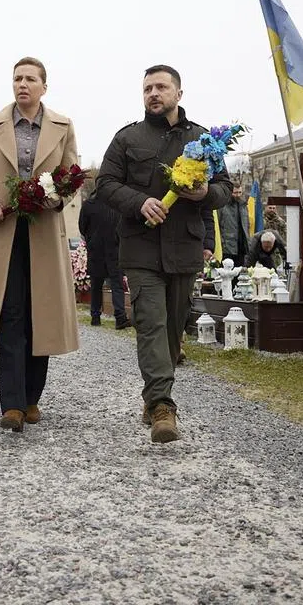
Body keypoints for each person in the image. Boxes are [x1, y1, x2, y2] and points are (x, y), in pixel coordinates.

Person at [96, 64, 232, 443]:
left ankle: (154, 390)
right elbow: (104, 184)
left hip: (184, 248)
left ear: (178, 94)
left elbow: (224, 188)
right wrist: (140, 202)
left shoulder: (204, 141)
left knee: (173, 331)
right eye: (147, 89)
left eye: (161, 87)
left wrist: (205, 194)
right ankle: (162, 406)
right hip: (140, 249)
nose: (153, 93)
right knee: (151, 324)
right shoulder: (128, 139)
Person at [0, 57, 80, 431]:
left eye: (31, 79)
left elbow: (70, 174)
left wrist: (56, 197)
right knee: (11, 315)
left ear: (44, 87)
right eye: (17, 78)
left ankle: (32, 398)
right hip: (4, 234)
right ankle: (11, 405)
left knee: (40, 314)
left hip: (44, 232)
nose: (23, 84)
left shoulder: (63, 126)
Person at [77, 188, 130, 329]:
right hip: (114, 248)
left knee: (96, 284)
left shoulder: (88, 205)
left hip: (96, 249)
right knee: (116, 284)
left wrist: (90, 240)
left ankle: (95, 316)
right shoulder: (116, 204)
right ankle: (120, 317)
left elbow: (82, 227)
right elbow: (123, 226)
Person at [216, 184, 250, 266]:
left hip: (241, 247)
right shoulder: (222, 206)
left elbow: (247, 225)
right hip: (227, 247)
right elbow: (217, 225)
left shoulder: (244, 206)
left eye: (239, 192)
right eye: (235, 193)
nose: (237, 195)